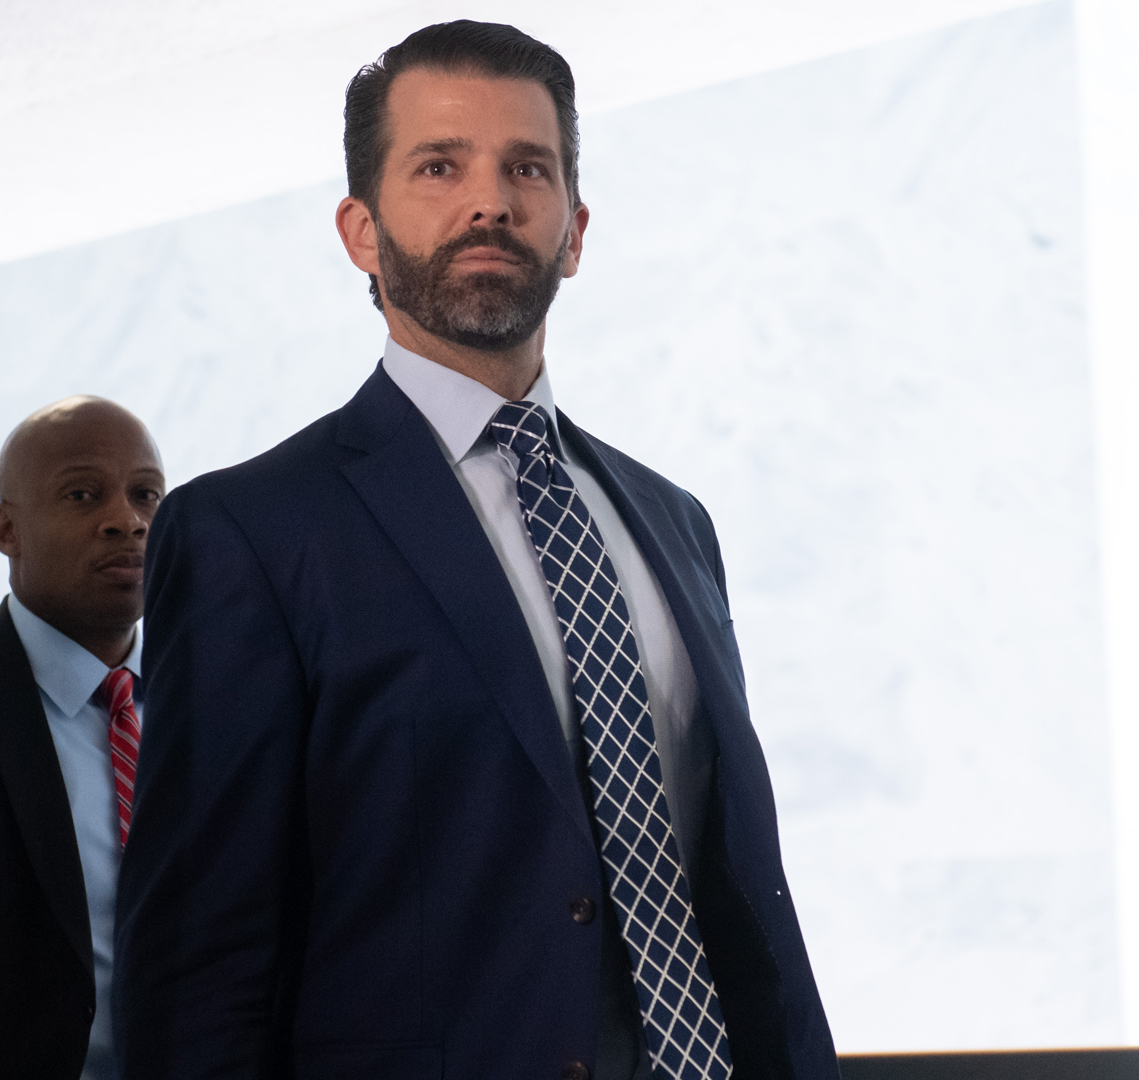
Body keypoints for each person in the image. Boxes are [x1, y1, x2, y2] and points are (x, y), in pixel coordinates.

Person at [117, 21, 837, 1080]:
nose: (490, 201)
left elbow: (731, 882)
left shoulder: (673, 520)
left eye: (527, 168)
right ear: (361, 230)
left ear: (576, 231)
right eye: (440, 166)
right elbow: (199, 964)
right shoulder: (250, 535)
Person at [0, 397, 163, 1080]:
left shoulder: (220, 696)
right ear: (8, 530)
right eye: (83, 495)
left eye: (146, 494)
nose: (128, 520)